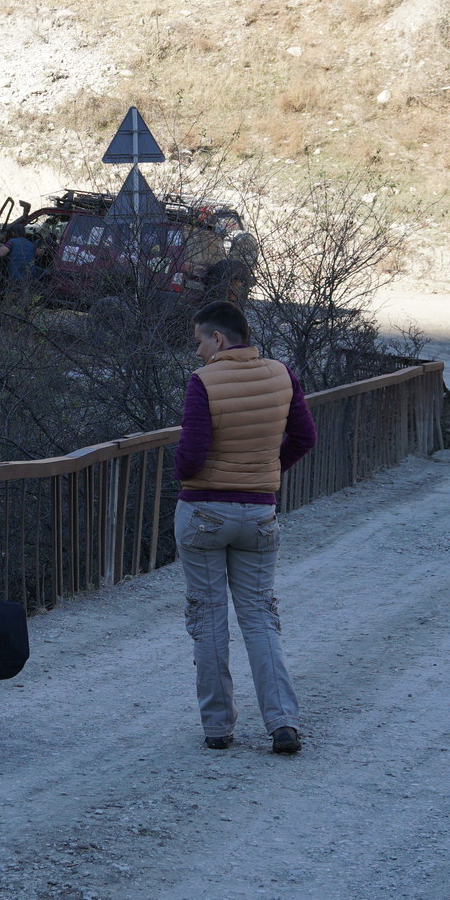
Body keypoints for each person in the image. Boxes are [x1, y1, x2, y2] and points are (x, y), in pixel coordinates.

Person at [174, 300, 318, 754]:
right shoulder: (281, 374)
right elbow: (305, 437)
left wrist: (183, 474)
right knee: (260, 618)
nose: (197, 351)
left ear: (218, 339)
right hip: (259, 513)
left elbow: (192, 455)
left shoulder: (204, 382)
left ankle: (218, 728)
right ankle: (283, 722)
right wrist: (268, 472)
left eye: (199, 340)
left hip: (203, 513)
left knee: (209, 619)